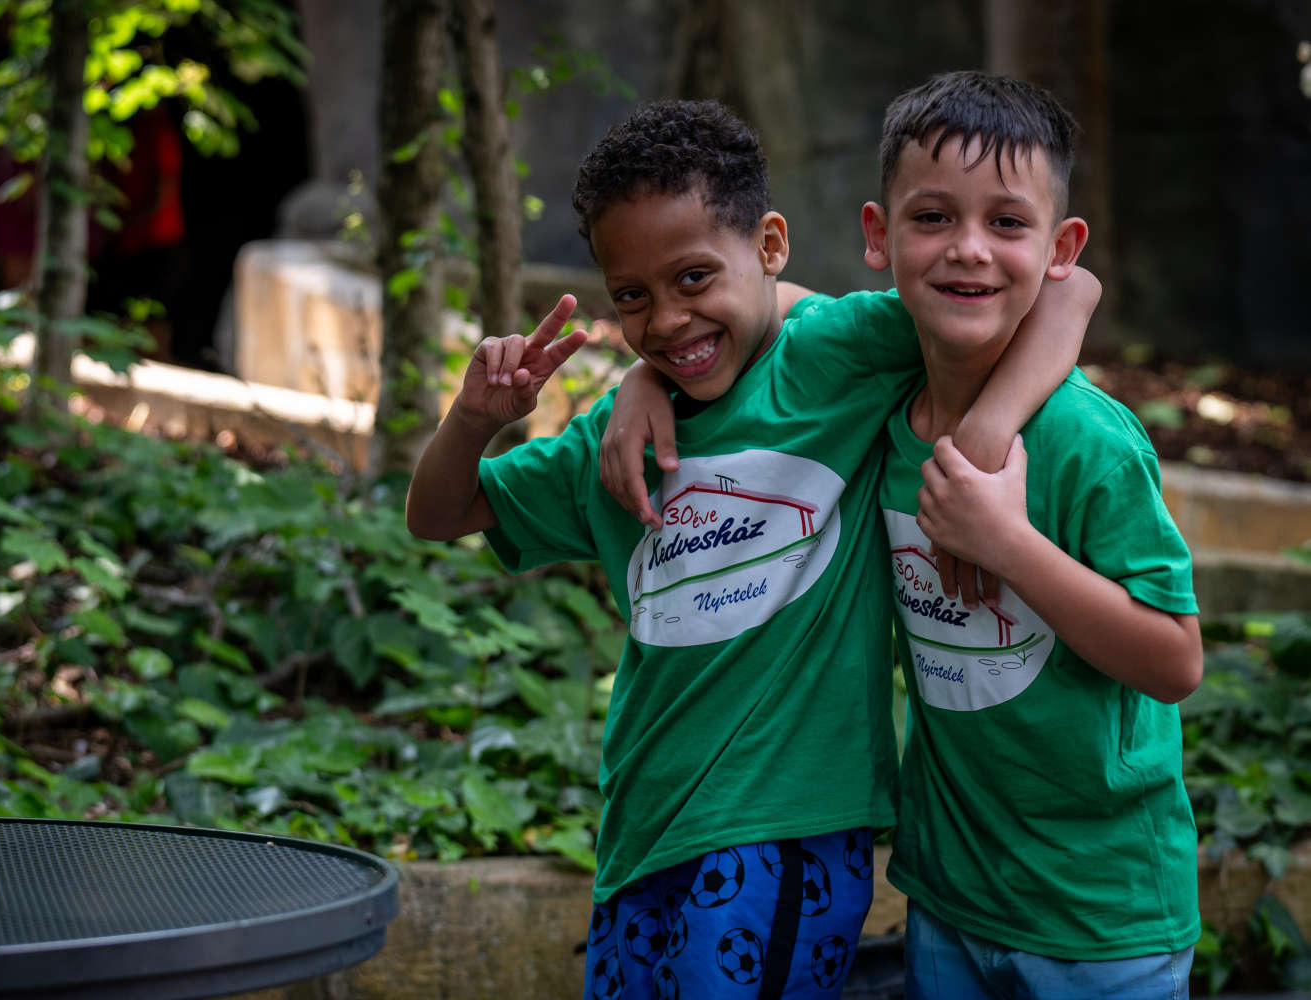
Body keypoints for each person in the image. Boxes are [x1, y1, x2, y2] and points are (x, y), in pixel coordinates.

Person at [405, 100, 1095, 999]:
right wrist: (477, 418)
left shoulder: (833, 360)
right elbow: (439, 514)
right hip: (642, 831)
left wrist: (990, 433)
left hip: (787, 828)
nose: (668, 319)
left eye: (695, 278)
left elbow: (1067, 290)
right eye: (633, 298)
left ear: (771, 246)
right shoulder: (606, 450)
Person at [865, 71, 1202, 998]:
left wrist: (1006, 542)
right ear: (877, 234)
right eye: (932, 217)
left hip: (1103, 915)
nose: (968, 249)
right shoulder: (872, 405)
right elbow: (743, 321)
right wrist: (644, 386)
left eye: (1007, 223)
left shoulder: (1087, 444)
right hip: (951, 897)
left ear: (1060, 247)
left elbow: (1176, 661)